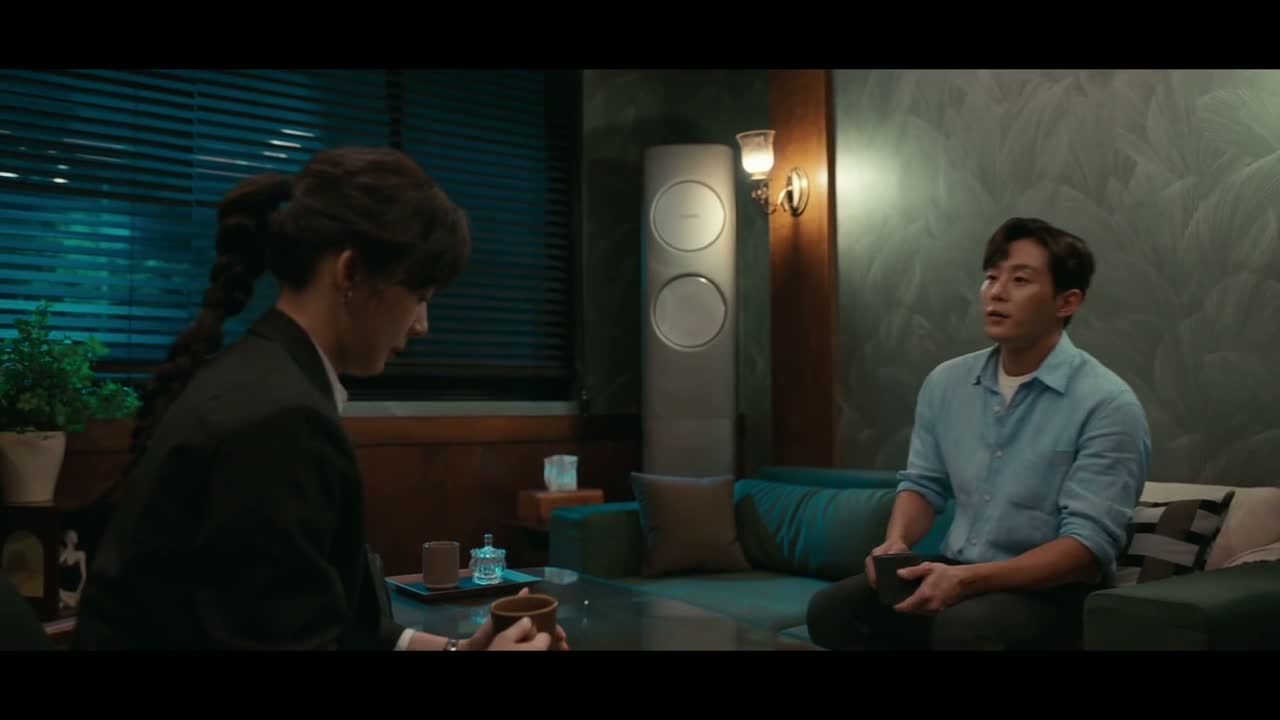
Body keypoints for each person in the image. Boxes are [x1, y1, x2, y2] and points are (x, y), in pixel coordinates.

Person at [72, 146, 568, 651]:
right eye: (419, 296)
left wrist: (455, 650)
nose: (422, 325)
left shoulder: (264, 381)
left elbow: (327, 622)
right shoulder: (278, 421)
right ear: (350, 273)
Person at [807, 216, 1151, 650]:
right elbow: (924, 484)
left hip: (1054, 593)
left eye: (1020, 280)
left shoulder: (1107, 404)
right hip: (959, 567)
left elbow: (1085, 549)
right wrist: (896, 542)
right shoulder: (947, 383)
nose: (997, 292)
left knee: (966, 628)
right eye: (991, 277)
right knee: (834, 609)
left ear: (1067, 302)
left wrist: (969, 581)